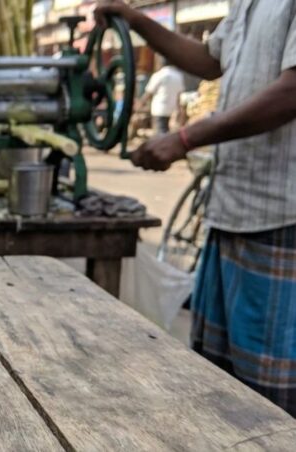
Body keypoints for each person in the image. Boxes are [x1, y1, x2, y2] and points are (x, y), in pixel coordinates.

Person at [97, 0, 296, 416]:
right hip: (230, 211)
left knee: (270, 399)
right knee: (220, 384)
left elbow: (291, 92)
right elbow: (209, 60)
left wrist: (185, 138)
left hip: (280, 217)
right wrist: (136, 20)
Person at [141, 60, 184, 135]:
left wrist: (141, 103)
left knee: (160, 131)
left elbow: (149, 92)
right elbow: (179, 95)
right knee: (166, 130)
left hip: (159, 108)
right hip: (172, 108)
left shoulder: (159, 75)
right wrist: (179, 109)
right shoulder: (178, 76)